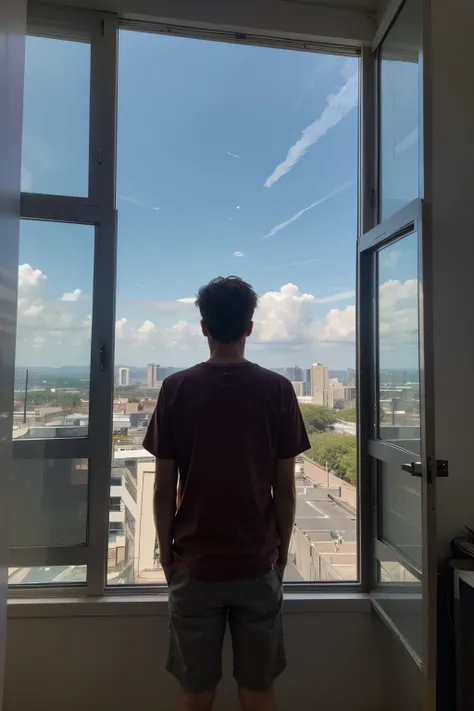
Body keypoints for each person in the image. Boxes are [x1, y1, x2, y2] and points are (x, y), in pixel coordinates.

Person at [143, 276, 310, 711]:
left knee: (195, 692)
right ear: (250, 327)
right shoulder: (277, 390)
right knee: (258, 691)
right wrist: (282, 551)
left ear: (203, 327)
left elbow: (163, 488)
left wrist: (165, 555)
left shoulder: (176, 388)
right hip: (257, 562)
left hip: (195, 565)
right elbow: (285, 489)